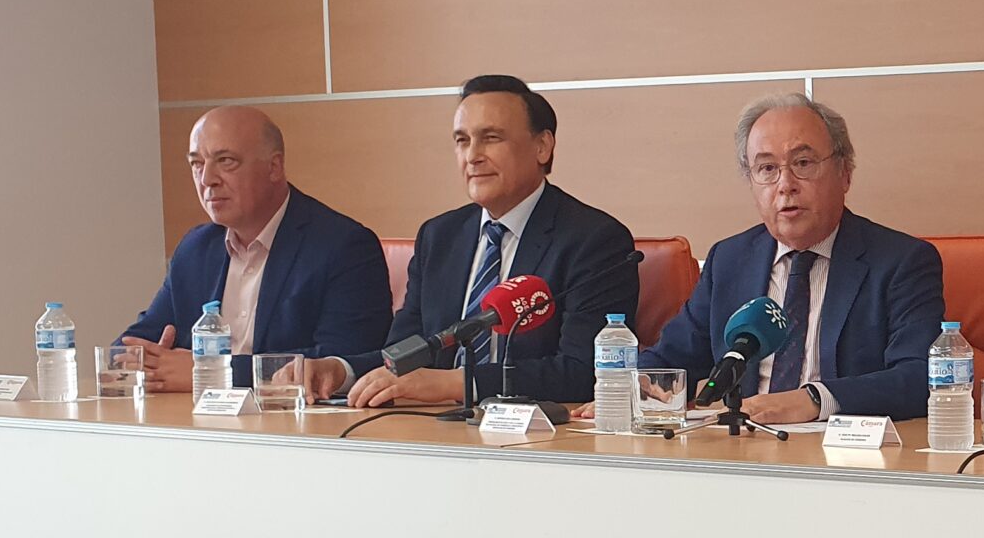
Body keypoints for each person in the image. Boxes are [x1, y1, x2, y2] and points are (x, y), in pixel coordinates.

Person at [309, 75, 638, 407]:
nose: (472, 156)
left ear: (542, 146)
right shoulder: (439, 236)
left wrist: (458, 383)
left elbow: (582, 372)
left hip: (533, 431)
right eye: (462, 141)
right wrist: (341, 371)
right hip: (432, 426)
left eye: (491, 138)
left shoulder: (594, 240)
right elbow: (404, 355)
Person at [615, 93, 943, 424]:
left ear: (845, 173)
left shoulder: (901, 262)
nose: (785, 185)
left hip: (842, 447)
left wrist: (814, 399)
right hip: (741, 444)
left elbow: (920, 377)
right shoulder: (729, 261)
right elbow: (670, 359)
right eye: (767, 168)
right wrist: (629, 388)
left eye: (803, 163)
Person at [119, 106, 391, 390]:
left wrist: (212, 372)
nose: (207, 179)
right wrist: (132, 363)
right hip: (193, 414)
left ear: (274, 167)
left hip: (289, 415)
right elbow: (140, 340)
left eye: (226, 161)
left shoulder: (344, 246)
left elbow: (343, 362)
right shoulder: (195, 248)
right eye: (197, 164)